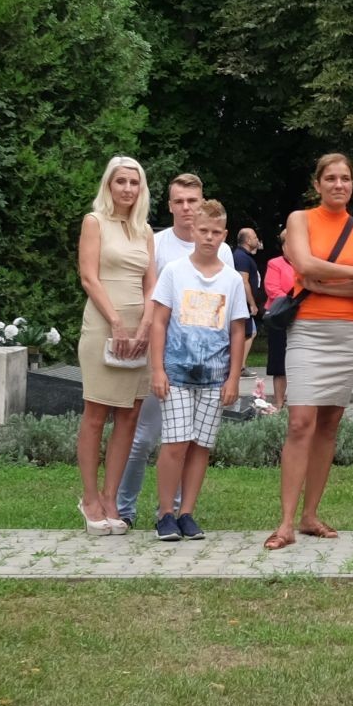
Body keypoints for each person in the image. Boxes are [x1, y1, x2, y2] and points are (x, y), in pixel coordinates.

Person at [270, 153, 353, 550]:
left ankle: (310, 515)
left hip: (349, 332)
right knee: (301, 421)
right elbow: (302, 262)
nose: (339, 184)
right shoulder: (300, 219)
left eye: (346, 178)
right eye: (330, 178)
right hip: (308, 331)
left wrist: (320, 281)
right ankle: (284, 523)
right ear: (317, 184)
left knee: (330, 424)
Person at [146, 198, 250, 540]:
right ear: (193, 230)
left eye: (215, 232)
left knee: (200, 445)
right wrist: (157, 369)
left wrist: (233, 377)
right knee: (175, 442)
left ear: (225, 235)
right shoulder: (175, 272)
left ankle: (188, 511)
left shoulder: (232, 280)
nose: (208, 238)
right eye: (203, 231)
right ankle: (165, 512)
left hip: (213, 377)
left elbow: (238, 330)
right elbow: (159, 321)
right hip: (175, 373)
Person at [114, 174, 206, 529]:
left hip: (200, 360)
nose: (186, 208)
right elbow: (147, 297)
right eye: (179, 201)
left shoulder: (218, 247)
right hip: (161, 355)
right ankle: (123, 508)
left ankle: (177, 511)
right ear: (169, 205)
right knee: (144, 437)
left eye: (192, 201)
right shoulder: (156, 243)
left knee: (188, 439)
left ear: (202, 203)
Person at [73, 156, 153, 533]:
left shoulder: (145, 231)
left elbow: (152, 284)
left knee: (129, 416)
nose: (127, 189)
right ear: (109, 185)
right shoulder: (95, 222)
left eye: (133, 183)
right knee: (96, 414)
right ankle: (89, 497)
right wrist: (117, 323)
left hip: (140, 332)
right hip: (104, 326)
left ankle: (110, 497)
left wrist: (146, 327)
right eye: (120, 181)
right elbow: (89, 278)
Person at [259, 247, 298, 412]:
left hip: (302, 317)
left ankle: (298, 401)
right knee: (279, 361)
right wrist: (294, 302)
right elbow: (272, 289)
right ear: (283, 246)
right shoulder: (275, 264)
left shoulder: (305, 262)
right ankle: (279, 401)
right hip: (281, 317)